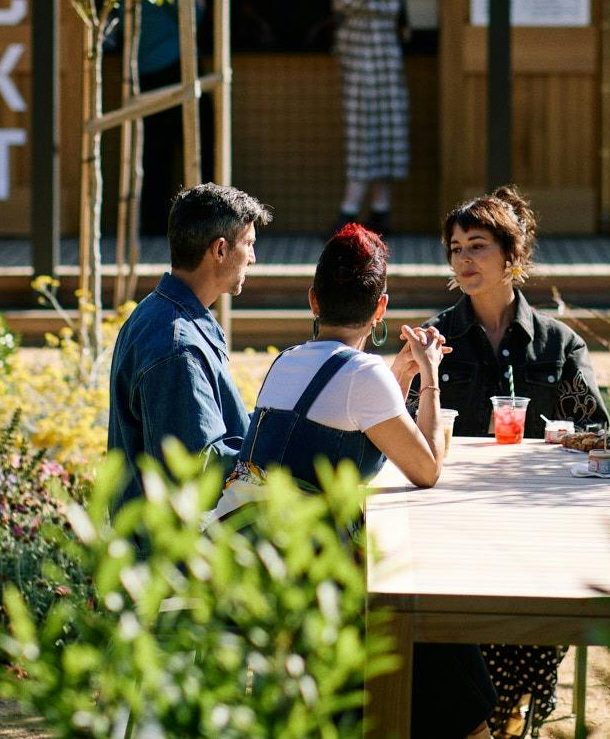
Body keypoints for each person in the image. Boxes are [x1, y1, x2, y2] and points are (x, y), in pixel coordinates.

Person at [209, 224, 495, 739]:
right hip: (310, 581)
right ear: (380, 308)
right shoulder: (364, 375)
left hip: (254, 558)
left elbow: (354, 415)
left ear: (313, 299)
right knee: (445, 647)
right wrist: (430, 374)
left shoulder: (285, 363)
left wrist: (398, 376)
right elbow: (427, 468)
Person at [420, 186, 607, 737]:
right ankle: (490, 715)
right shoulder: (436, 339)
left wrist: (557, 440)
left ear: (512, 256)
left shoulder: (557, 344)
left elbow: (595, 431)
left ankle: (514, 708)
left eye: (477, 246)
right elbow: (406, 431)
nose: (464, 260)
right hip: (452, 520)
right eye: (456, 249)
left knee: (534, 622)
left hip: (535, 521)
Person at [106, 184, 271, 505]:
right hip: (173, 535)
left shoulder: (158, 311)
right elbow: (198, 470)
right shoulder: (178, 347)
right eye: (249, 244)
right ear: (220, 250)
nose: (253, 258)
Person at [332, 0, 409, 235]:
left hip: (371, 56)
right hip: (374, 54)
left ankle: (350, 212)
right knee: (379, 130)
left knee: (367, 130)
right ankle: (380, 211)